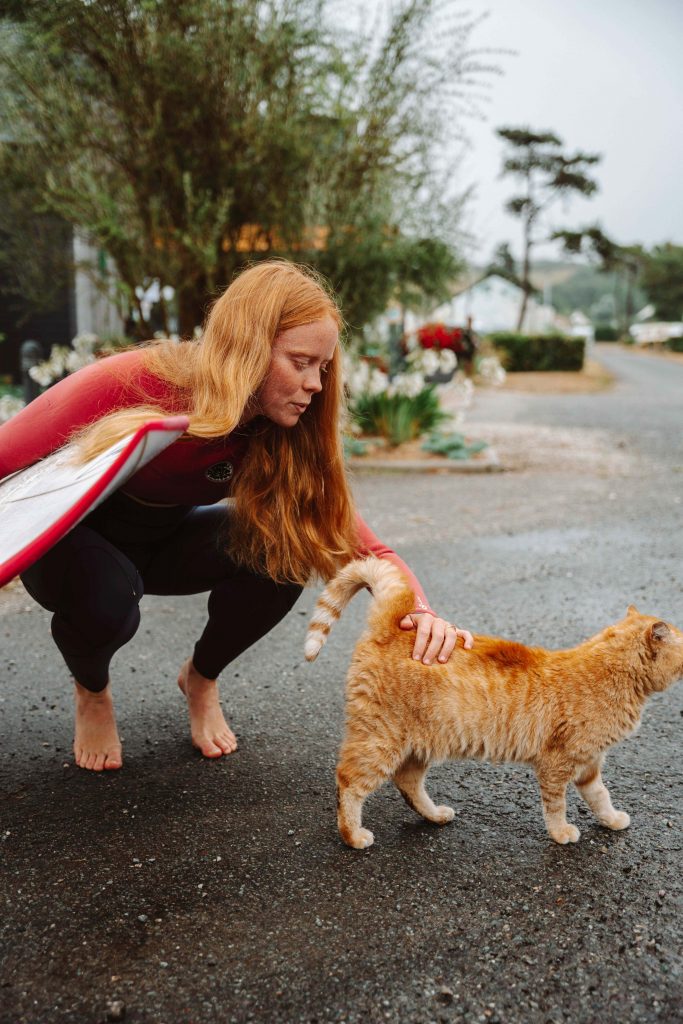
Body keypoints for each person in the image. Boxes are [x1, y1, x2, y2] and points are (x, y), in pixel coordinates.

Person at [0, 261, 473, 772]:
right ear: (248, 346)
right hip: (74, 550)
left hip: (165, 542)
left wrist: (420, 611)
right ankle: (92, 691)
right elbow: (6, 459)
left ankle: (200, 679)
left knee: (287, 553)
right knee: (109, 595)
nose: (314, 384)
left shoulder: (277, 430)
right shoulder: (135, 380)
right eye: (300, 361)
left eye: (324, 367)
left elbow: (359, 543)